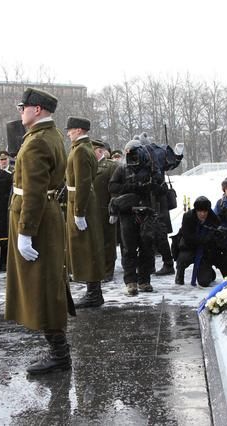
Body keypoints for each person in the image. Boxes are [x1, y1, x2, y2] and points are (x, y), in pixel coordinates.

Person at [5, 88, 74, 375]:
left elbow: (33, 192)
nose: (20, 111)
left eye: (23, 106)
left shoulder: (36, 143)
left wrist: (25, 231)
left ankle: (59, 355)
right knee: (48, 282)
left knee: (43, 285)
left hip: (37, 219)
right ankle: (58, 351)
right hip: (45, 215)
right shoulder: (51, 136)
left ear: (37, 110)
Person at [108, 138, 166, 295]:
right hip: (127, 213)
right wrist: (131, 187)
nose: (131, 156)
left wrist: (153, 184)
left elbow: (162, 190)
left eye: (133, 152)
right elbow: (112, 186)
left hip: (146, 212)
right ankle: (131, 281)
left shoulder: (151, 167)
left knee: (147, 248)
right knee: (129, 248)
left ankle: (144, 280)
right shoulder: (122, 168)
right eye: (128, 152)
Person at [65, 117, 105, 309]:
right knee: (86, 245)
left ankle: (94, 293)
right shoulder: (82, 148)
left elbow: (82, 182)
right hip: (81, 199)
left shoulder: (81, 150)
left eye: (71, 130)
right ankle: (93, 290)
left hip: (82, 202)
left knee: (87, 246)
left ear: (79, 130)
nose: (68, 133)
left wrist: (79, 211)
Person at [172, 196, 224, 287]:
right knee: (183, 259)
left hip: (205, 251)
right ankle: (180, 274)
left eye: (205, 211)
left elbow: (217, 236)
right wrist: (204, 239)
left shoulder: (214, 218)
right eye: (200, 211)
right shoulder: (188, 217)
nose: (202, 214)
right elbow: (187, 236)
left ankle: (209, 273)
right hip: (189, 247)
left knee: (204, 282)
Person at [91, 139, 119, 282]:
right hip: (91, 211)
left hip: (105, 210)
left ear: (100, 151)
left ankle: (108, 271)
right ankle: (97, 270)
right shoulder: (88, 166)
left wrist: (114, 210)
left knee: (108, 242)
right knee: (94, 243)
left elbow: (115, 191)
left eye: (92, 151)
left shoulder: (110, 166)